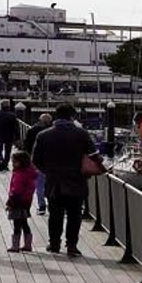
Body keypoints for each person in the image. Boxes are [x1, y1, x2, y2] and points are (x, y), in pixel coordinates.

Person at [30, 104, 96, 257]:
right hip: (76, 181)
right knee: (74, 215)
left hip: (54, 182)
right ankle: (71, 245)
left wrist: (49, 171)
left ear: (56, 116)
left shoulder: (43, 135)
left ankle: (54, 244)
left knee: (55, 215)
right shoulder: (82, 134)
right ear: (72, 117)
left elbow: (36, 160)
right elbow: (93, 155)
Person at [5, 151, 37, 253]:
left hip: (17, 201)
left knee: (17, 223)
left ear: (21, 162)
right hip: (26, 201)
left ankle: (15, 245)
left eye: (14, 162)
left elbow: (16, 190)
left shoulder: (20, 174)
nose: (13, 164)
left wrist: (10, 202)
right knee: (24, 222)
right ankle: (28, 245)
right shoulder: (29, 172)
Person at [21, 113, 52, 214]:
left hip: (36, 162)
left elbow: (26, 145)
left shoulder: (33, 129)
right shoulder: (53, 131)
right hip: (51, 162)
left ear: (39, 120)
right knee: (52, 184)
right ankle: (52, 204)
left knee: (39, 184)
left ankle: (42, 206)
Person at [0, 101, 19, 167]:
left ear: (0, 106)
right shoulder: (12, 115)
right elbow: (16, 127)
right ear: (8, 106)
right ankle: (5, 163)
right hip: (9, 136)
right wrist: (17, 137)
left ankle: (0, 160)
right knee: (8, 151)